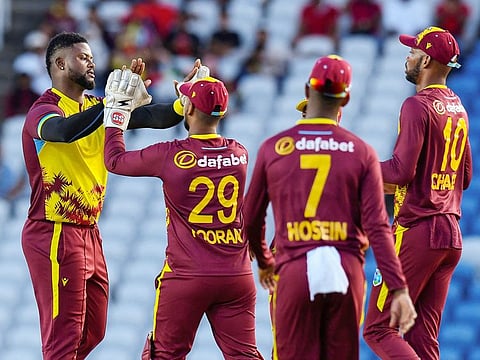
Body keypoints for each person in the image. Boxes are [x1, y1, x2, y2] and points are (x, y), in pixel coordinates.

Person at [20, 31, 201, 360]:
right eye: (82, 57)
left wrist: (185, 101)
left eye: (91, 57)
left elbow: (152, 117)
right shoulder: (43, 109)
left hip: (89, 231)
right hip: (54, 230)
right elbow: (61, 131)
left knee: (94, 330)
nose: (91, 63)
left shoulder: (93, 107)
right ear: (60, 64)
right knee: (64, 336)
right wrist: (111, 104)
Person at [244, 54, 417, 360]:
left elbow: (251, 218)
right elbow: (378, 227)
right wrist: (399, 289)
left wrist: (265, 260)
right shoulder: (361, 152)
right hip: (345, 269)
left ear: (308, 92)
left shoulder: (275, 148)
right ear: (346, 99)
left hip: (294, 265)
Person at [103, 74, 264, 360]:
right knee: (245, 356)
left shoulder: (170, 154)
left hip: (186, 276)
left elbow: (114, 160)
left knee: (164, 355)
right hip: (236, 276)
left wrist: (116, 115)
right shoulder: (240, 153)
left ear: (188, 109)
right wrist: (196, 96)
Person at [363, 26, 472, 360]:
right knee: (423, 340)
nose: (408, 57)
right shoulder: (458, 108)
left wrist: (358, 166)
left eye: (412, 52)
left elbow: (400, 173)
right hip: (450, 234)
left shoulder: (416, 105)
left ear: (425, 59)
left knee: (379, 329)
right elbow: (465, 177)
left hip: (418, 231)